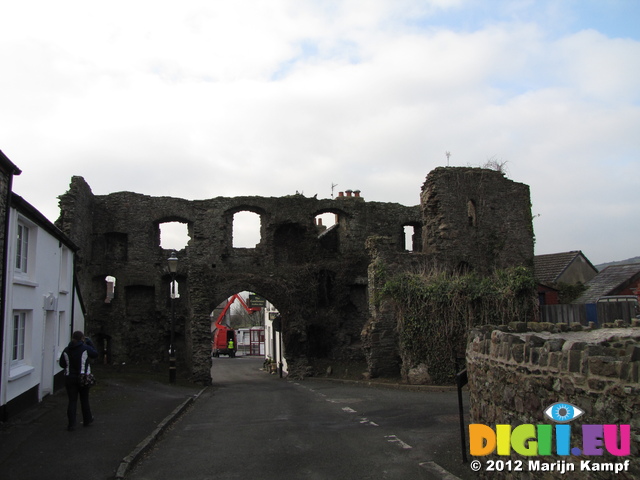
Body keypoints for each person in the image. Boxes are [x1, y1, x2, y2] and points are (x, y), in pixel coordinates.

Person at [59, 330, 98, 431]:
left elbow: (62, 364)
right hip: (83, 377)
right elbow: (95, 354)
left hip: (69, 378)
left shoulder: (66, 350)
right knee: (84, 399)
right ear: (82, 338)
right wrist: (90, 343)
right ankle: (87, 419)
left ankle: (71, 424)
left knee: (72, 401)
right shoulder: (85, 348)